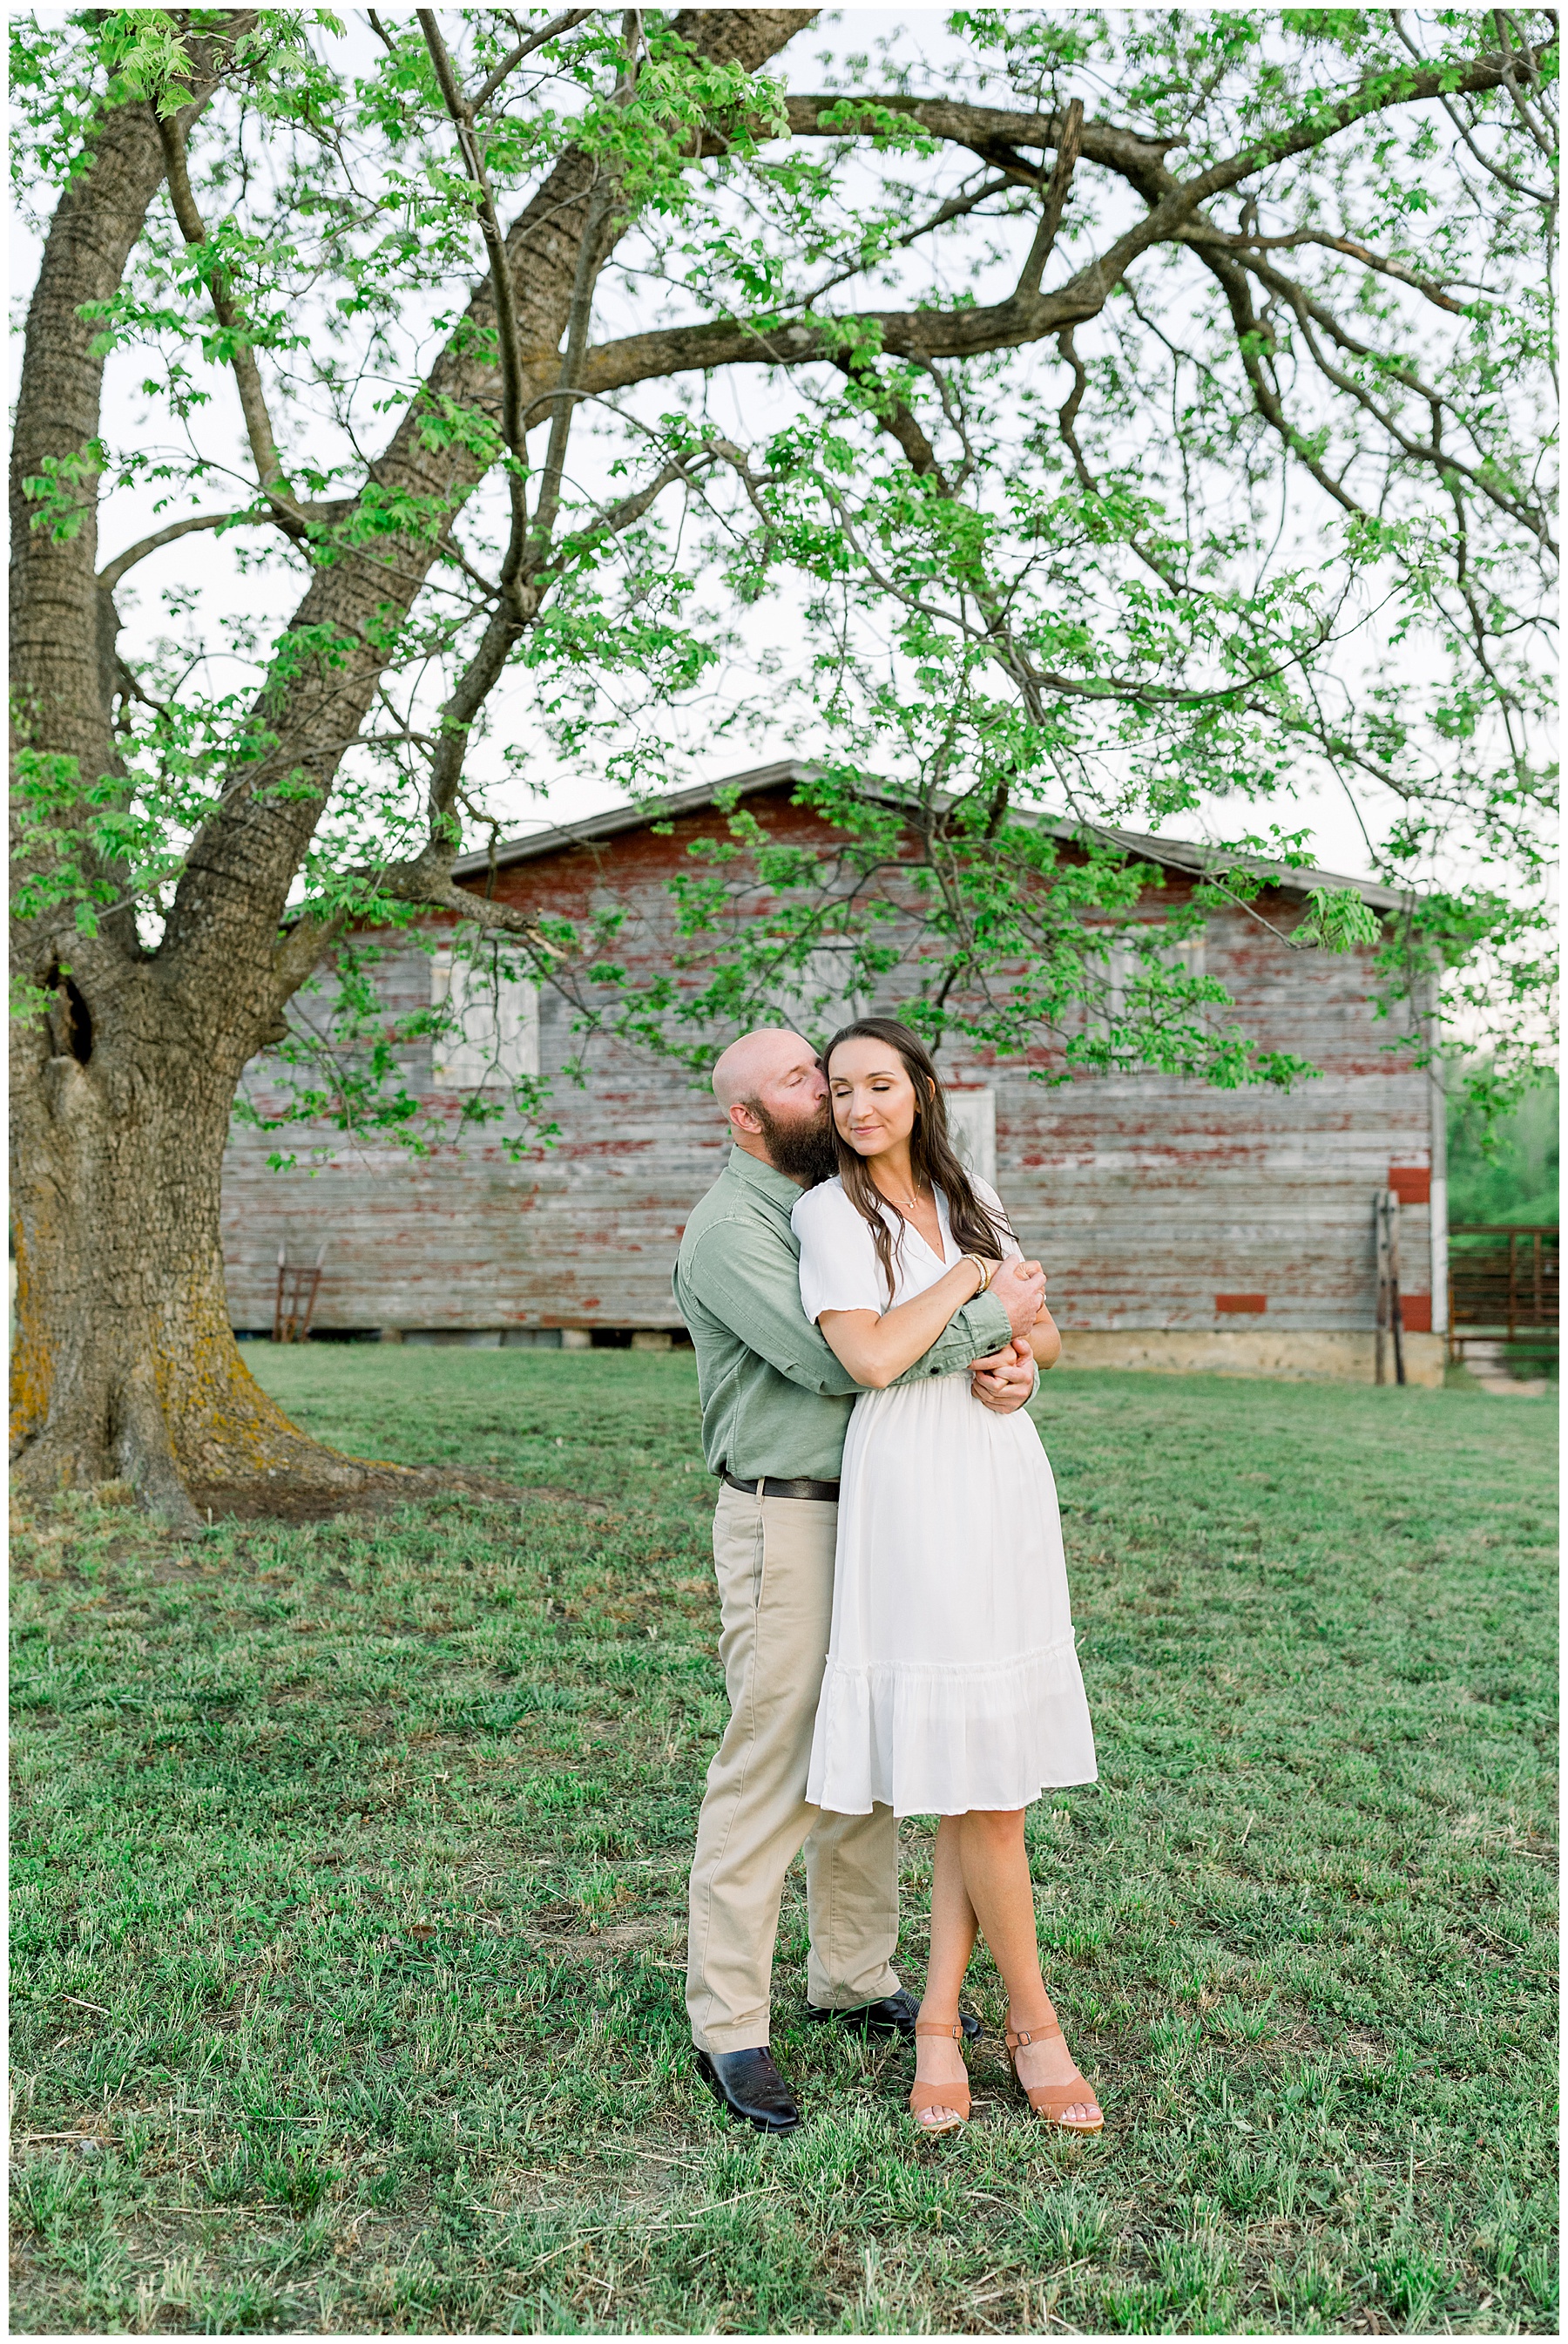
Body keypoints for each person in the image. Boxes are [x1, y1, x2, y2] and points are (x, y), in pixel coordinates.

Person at [673, 1027, 1047, 2135]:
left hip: (889, 1512)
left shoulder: (841, 1201)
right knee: (777, 1761)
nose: (829, 1095)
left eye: (835, 1075)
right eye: (804, 1081)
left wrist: (1012, 1364)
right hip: (787, 1516)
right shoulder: (729, 1228)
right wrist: (994, 1312)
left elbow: (917, 1327)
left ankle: (854, 1971)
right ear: (748, 1116)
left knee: (872, 1753)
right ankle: (728, 2021)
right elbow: (844, 1357)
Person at [793, 1017, 1101, 2136]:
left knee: (986, 1769)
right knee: (984, 1787)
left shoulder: (974, 1192)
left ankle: (934, 2015)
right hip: (913, 1485)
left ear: (921, 1090)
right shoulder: (828, 1213)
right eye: (840, 1090)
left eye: (880, 1084)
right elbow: (872, 1356)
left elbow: (1048, 1332)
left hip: (1000, 1474)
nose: (859, 1106)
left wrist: (1024, 1363)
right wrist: (976, 1286)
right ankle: (1031, 2021)